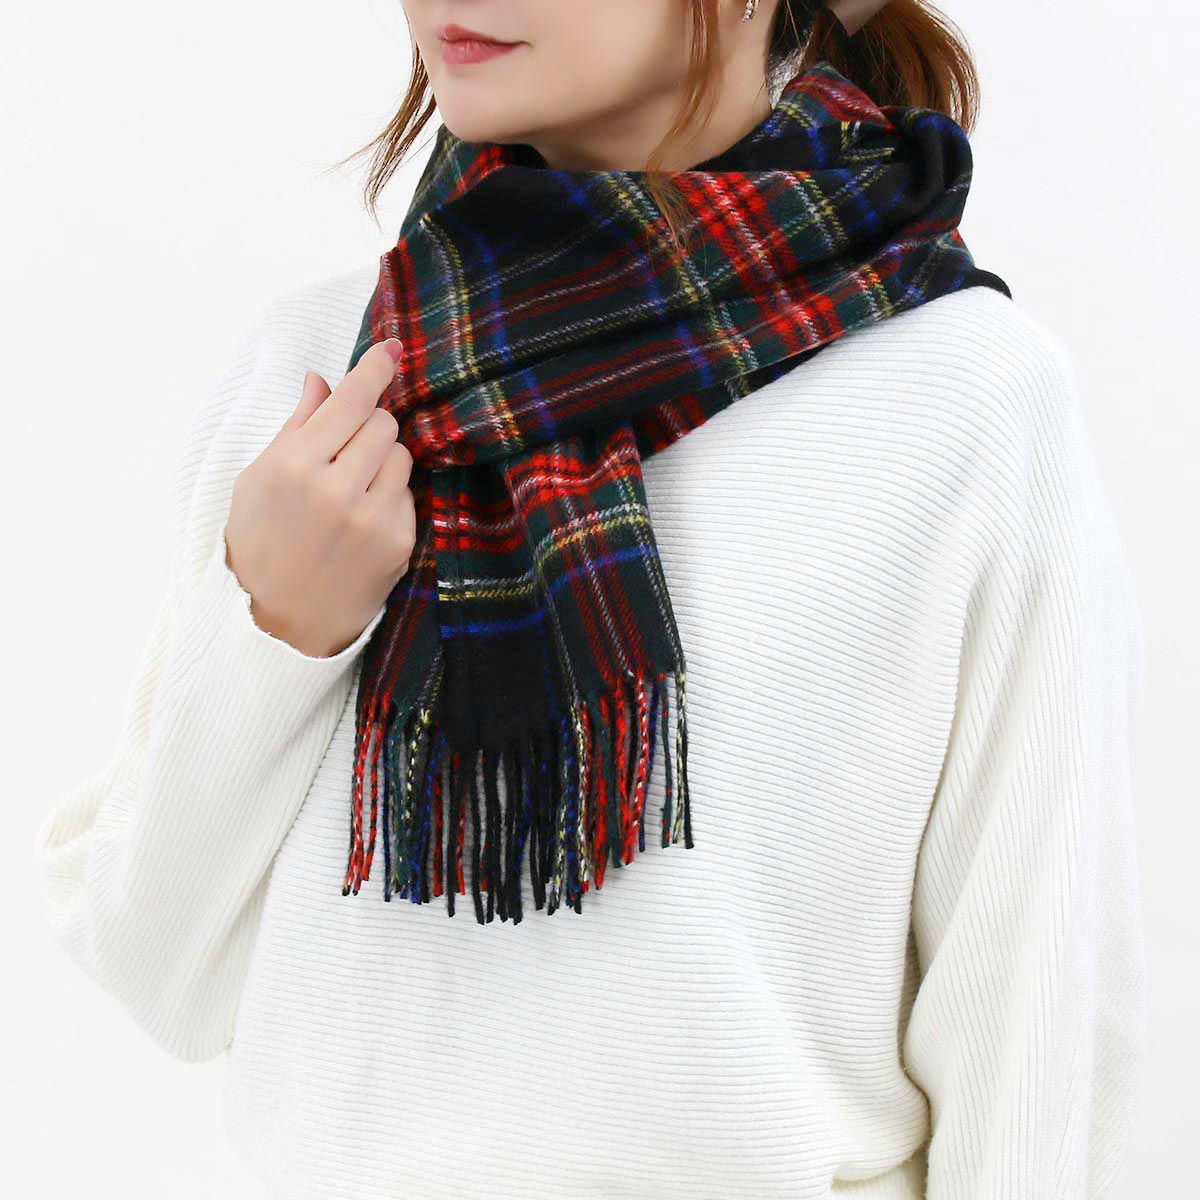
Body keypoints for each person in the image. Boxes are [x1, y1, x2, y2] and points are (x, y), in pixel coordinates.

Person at [32, 2, 1147, 1197]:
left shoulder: (964, 401)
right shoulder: (328, 380)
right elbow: (162, 975)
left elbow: (1033, 1044)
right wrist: (278, 629)